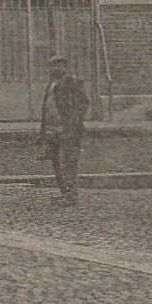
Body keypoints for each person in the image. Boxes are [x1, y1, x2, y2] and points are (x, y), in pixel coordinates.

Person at [38, 55, 90, 206]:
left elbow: (83, 103)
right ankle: (64, 194)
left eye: (59, 65)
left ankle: (71, 196)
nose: (56, 69)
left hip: (67, 131)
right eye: (52, 66)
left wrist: (72, 124)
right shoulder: (51, 85)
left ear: (65, 67)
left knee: (68, 163)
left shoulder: (71, 82)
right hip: (52, 131)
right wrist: (43, 132)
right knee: (57, 164)